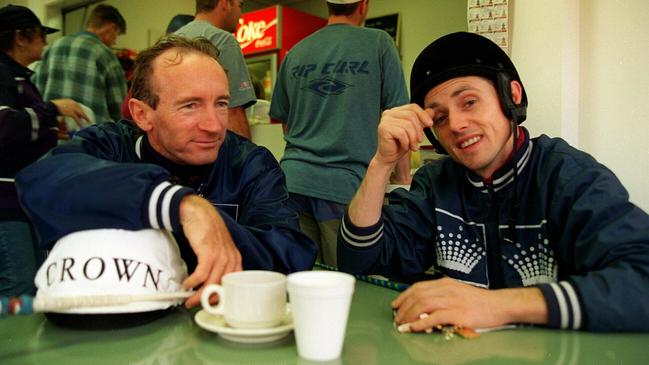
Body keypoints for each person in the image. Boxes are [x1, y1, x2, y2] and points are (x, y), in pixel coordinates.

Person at [337, 32, 649, 332]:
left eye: (469, 102)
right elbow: (359, 261)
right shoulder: (435, 183)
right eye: (440, 118)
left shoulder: (566, 175)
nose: (457, 124)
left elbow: (641, 279)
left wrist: (496, 305)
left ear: (511, 96)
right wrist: (382, 163)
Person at [16, 35, 317, 308]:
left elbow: (291, 256)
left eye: (221, 103)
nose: (214, 125)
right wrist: (177, 205)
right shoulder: (111, 145)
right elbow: (42, 180)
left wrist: (214, 230)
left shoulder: (250, 164)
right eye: (190, 106)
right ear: (142, 114)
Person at [269, 0, 410, 267]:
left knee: (301, 282)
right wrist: (403, 182)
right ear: (364, 5)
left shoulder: (296, 52)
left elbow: (284, 122)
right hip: (346, 190)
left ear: (327, 5)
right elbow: (399, 121)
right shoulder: (379, 42)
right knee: (346, 288)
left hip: (291, 184)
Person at [0, 5, 88, 297]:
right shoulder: (2, 74)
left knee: (33, 280)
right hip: (5, 202)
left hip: (21, 199)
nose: (45, 42)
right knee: (19, 281)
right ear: (20, 37)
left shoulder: (20, 78)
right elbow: (4, 126)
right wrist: (53, 109)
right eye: (40, 35)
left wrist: (49, 132)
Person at [33, 4, 127, 123]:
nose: (115, 41)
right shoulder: (105, 54)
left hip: (53, 134)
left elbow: (35, 91)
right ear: (110, 28)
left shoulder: (52, 47)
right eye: (117, 34)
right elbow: (120, 108)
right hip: (91, 137)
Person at [175, 0, 255, 139]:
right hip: (209, 146)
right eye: (240, 5)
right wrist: (247, 158)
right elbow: (233, 113)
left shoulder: (168, 41)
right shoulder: (223, 41)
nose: (241, 15)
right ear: (225, 3)